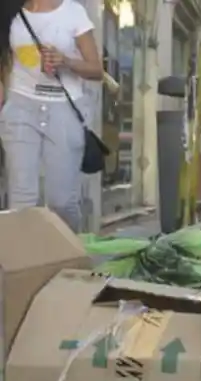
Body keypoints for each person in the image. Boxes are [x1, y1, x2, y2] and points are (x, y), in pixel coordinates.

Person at [0, 0, 103, 232]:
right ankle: (25, 264)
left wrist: (65, 61)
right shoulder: (9, 10)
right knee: (22, 199)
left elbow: (96, 70)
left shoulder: (74, 12)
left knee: (62, 202)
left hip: (63, 109)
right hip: (21, 107)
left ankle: (66, 256)